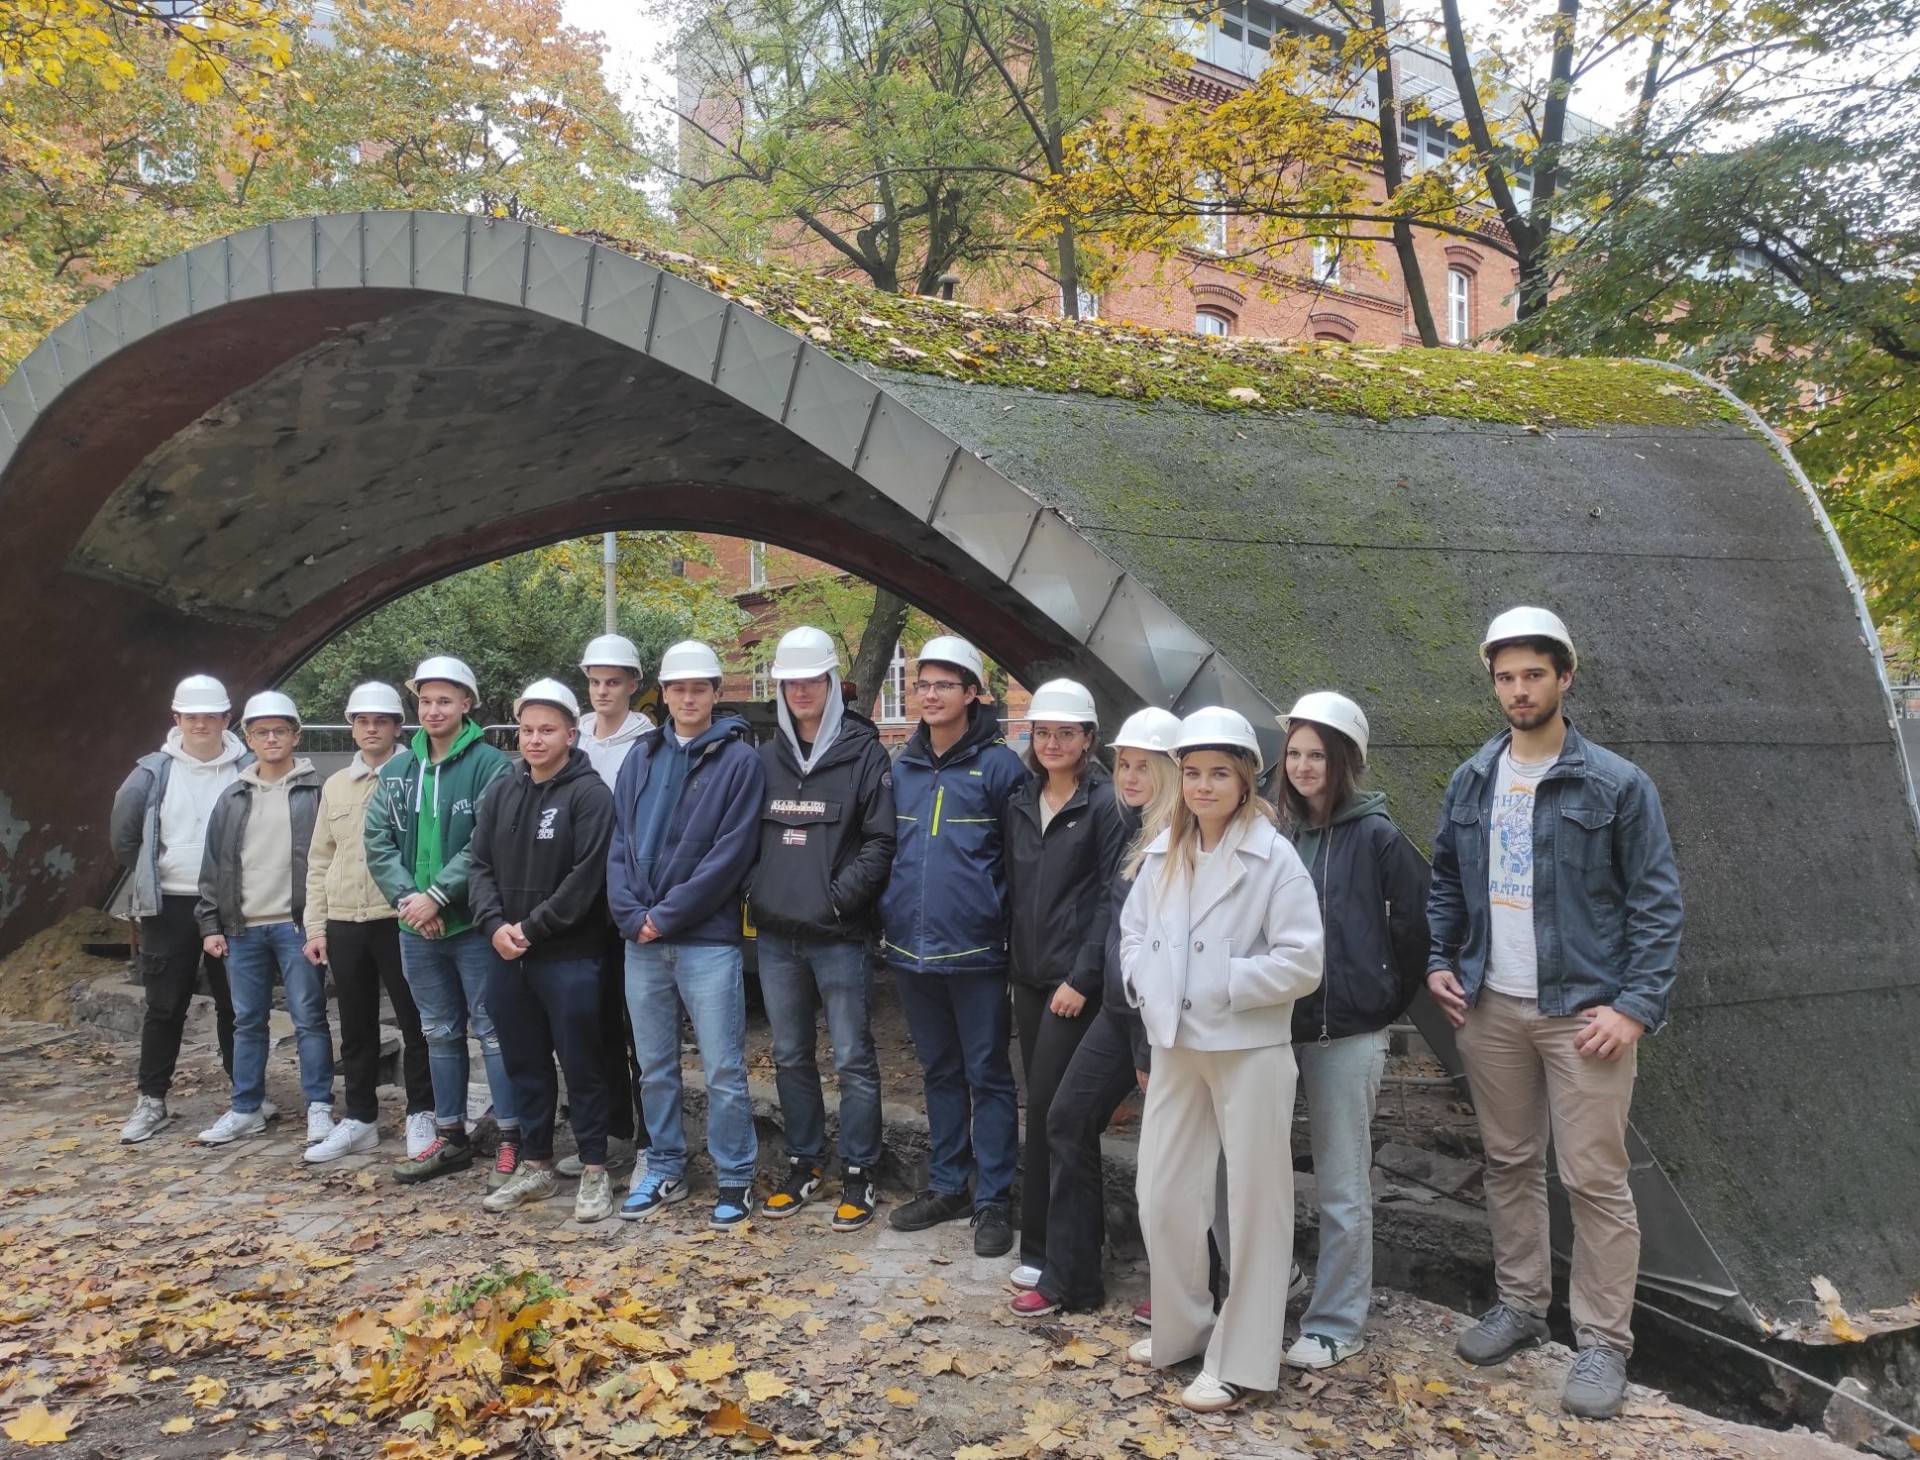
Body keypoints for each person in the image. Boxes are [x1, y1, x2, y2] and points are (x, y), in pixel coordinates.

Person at [1426, 608, 1683, 1420]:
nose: (1518, 690)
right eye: (1505, 677)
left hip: (1584, 1015)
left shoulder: (1615, 783)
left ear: (1565, 678)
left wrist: (1636, 1008)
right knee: (1508, 1162)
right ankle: (1521, 1306)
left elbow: (1656, 904)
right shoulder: (1473, 778)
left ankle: (1604, 1344)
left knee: (1596, 1181)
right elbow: (1444, 883)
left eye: (1533, 674)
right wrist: (1440, 960)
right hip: (1492, 1006)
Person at [1120, 706, 1323, 1414]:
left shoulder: (1275, 858)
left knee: (1257, 1205)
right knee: (1162, 1192)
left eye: (1218, 775)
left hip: (1249, 1051)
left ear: (1244, 781)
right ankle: (1183, 1327)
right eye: (1194, 774)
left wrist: (1227, 983)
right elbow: (1133, 934)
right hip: (1176, 1046)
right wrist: (1148, 988)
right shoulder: (1162, 852)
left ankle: (1241, 1360)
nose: (1204, 787)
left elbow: (1305, 960)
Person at [1275, 693, 1430, 1369]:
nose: (1304, 767)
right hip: (1275, 1028)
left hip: (1347, 1033)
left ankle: (1337, 1320)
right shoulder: (1273, 830)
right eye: (1296, 753)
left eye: (1318, 755)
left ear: (1345, 763)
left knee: (1341, 1186)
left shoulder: (1378, 836)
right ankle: (1277, 1279)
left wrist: (1381, 999)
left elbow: (1415, 929)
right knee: (1256, 1172)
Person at [1011, 707, 1180, 1319]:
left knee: (1180, 1153)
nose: (1130, 777)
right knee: (1064, 1118)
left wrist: (1141, 1049)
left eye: (1145, 767)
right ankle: (1072, 1278)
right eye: (1125, 764)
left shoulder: (1179, 841)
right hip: (1120, 1007)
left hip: (1159, 1021)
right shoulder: (1137, 832)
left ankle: (1188, 1288)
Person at [608, 640, 767, 1229]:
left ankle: (735, 1176)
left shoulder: (740, 762)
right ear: (664, 693)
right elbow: (619, 844)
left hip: (705, 939)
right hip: (641, 940)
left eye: (699, 688)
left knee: (724, 1067)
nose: (688, 697)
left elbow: (730, 855)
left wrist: (664, 916)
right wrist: (630, 915)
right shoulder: (642, 756)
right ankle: (667, 1163)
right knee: (653, 1065)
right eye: (678, 688)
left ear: (717, 693)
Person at [879, 635, 1028, 1258]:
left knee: (988, 1076)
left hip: (977, 955)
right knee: (938, 1072)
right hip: (911, 953)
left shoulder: (1000, 768)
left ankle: (995, 1197)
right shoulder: (904, 766)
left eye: (945, 684)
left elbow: (1020, 866)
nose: (931, 695)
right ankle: (949, 1185)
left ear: (973, 693)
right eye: (923, 684)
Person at [747, 626, 896, 1230]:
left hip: (839, 938)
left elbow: (882, 841)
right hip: (778, 937)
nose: (800, 690)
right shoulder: (765, 756)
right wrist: (759, 891)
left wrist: (837, 901)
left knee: (855, 1058)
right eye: (790, 682)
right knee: (788, 1054)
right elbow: (743, 837)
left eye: (811, 679)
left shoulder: (865, 754)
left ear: (832, 683)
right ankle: (805, 1160)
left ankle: (861, 1170)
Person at [470, 680, 620, 1222]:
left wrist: (532, 928)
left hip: (570, 956)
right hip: (507, 955)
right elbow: (479, 864)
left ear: (570, 734)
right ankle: (535, 1165)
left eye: (547, 730)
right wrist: (492, 925)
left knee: (583, 1063)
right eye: (527, 730)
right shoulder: (502, 791)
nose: (534, 740)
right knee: (524, 1063)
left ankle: (596, 1170)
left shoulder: (590, 794)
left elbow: (588, 877)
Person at [365, 656, 517, 1187]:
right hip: (417, 928)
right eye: (425, 701)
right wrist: (410, 899)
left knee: (494, 1031)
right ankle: (450, 1136)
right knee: (439, 1033)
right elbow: (378, 840)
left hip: (472, 925)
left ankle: (512, 1138)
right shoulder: (397, 771)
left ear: (467, 704)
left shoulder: (491, 766)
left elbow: (487, 839)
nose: (433, 710)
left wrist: (436, 895)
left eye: (445, 701)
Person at [1002, 680, 1129, 1292]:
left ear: (1088, 740)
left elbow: (1111, 898)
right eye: (1042, 732)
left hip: (1073, 983)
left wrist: (1083, 976)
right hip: (1028, 975)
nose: (1052, 743)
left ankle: (1058, 1253)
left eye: (1066, 734)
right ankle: (1049, 1244)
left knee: (1058, 1112)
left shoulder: (1105, 804)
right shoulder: (1022, 795)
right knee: (1043, 1109)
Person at [301, 683, 437, 1164]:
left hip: (398, 918)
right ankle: (360, 1118)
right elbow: (321, 858)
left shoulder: (417, 775)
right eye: (362, 721)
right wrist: (316, 926)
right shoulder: (336, 784)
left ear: (399, 727)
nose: (371, 729)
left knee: (415, 1021)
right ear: (352, 726)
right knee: (355, 1026)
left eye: (381, 721)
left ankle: (424, 1112)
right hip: (345, 920)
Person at [111, 675, 249, 1144]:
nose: (201, 724)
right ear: (177, 720)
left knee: (238, 1004)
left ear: (226, 719)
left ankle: (245, 1097)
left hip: (232, 904)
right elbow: (126, 839)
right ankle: (152, 1100)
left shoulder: (246, 767)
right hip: (168, 905)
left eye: (211, 716)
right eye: (192, 716)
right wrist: (164, 872)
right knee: (164, 1005)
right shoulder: (151, 773)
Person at [194, 692, 332, 1148]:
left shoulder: (317, 790)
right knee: (247, 1019)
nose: (271, 739)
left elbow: (330, 857)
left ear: (296, 735)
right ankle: (245, 1107)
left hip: (296, 925)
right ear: (248, 738)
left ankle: (319, 1107)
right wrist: (210, 923)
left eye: (280, 731)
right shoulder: (233, 796)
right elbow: (213, 865)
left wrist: (321, 923)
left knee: (308, 1016)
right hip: (243, 926)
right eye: (260, 732)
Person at [561, 632, 657, 1178]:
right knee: (592, 1028)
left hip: (627, 897)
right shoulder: (576, 739)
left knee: (638, 1028)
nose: (602, 691)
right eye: (595, 682)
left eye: (613, 682)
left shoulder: (648, 743)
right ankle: (610, 1133)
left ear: (633, 686)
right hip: (580, 901)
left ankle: (650, 1140)